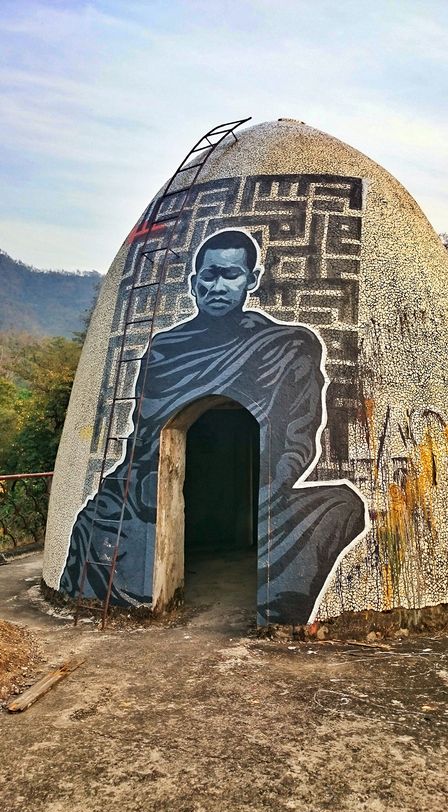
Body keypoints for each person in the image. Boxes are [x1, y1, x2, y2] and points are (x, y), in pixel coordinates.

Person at [60, 228, 366, 624]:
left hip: (274, 487)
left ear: (252, 280)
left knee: (342, 507)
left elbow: (298, 439)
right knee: (93, 519)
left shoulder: (287, 344)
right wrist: (142, 483)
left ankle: (279, 616)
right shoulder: (164, 348)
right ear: (193, 282)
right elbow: (144, 433)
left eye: (230, 275)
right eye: (208, 276)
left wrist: (270, 489)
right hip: (146, 483)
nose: (217, 285)